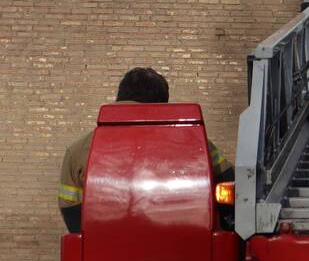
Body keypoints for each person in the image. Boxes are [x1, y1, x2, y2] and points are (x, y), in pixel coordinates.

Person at [57, 67, 234, 233]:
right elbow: (231, 189)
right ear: (162, 105)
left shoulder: (79, 151)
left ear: (120, 97)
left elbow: (72, 212)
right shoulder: (198, 144)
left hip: (105, 257)